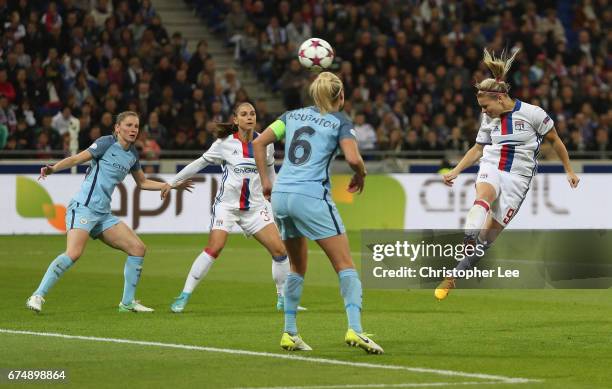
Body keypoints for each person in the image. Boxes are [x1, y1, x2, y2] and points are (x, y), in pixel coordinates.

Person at [253, 72, 384, 354]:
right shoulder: (340, 121)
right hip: (310, 196)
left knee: (297, 267)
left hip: (281, 196)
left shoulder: (291, 116)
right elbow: (352, 158)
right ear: (341, 96)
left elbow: (258, 142)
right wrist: (361, 173)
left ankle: (289, 332)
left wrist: (266, 180)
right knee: (346, 265)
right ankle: (356, 329)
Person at [435, 49, 580, 300]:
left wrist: (569, 170)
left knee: (487, 239)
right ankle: (468, 237)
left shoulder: (534, 114)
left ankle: (453, 276)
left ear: (500, 98)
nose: (483, 112)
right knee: (484, 196)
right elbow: (479, 149)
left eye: (485, 106)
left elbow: (555, 140)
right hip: (493, 166)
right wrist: (456, 171)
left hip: (519, 180)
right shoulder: (489, 120)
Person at [26, 111, 192, 313]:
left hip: (103, 214)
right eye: (129, 125)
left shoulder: (132, 154)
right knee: (74, 252)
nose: (133, 130)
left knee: (138, 249)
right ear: (117, 128)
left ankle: (127, 303)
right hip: (84, 207)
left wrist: (170, 185)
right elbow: (77, 158)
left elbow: (142, 182)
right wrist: (53, 168)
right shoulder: (106, 143)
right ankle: (37, 295)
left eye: (136, 126)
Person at [163, 102, 304, 313]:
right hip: (227, 207)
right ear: (236, 120)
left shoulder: (265, 143)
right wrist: (173, 182)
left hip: (255, 207)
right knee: (215, 248)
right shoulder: (224, 143)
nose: (250, 117)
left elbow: (270, 172)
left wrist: (274, 199)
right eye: (244, 114)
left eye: (253, 114)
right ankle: (184, 295)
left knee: (280, 251)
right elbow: (199, 163)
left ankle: (282, 299)